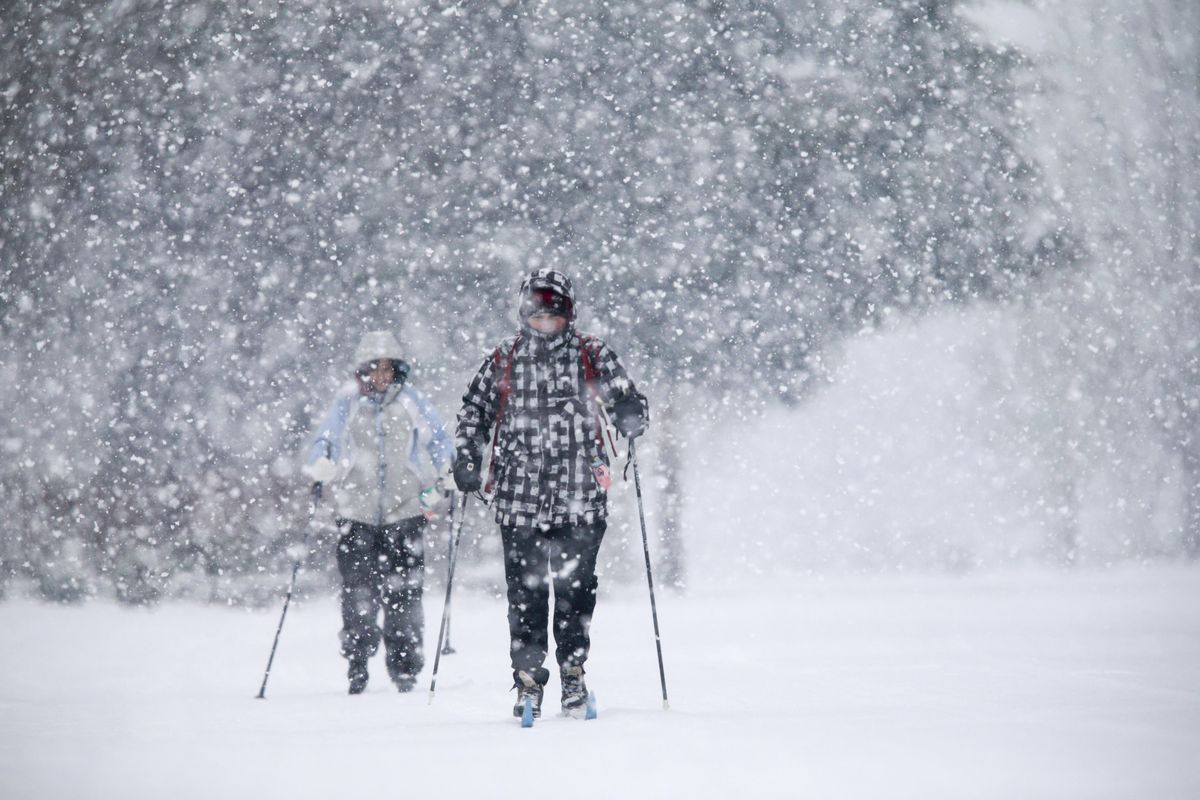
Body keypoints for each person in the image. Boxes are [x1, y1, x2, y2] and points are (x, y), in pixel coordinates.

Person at [453, 268, 649, 719]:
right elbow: (475, 411)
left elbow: (626, 398)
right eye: (536, 317)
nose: (544, 325)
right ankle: (527, 679)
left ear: (568, 315)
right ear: (524, 315)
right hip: (518, 499)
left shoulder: (590, 353)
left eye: (553, 317)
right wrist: (467, 455)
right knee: (525, 594)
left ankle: (573, 672)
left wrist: (631, 414)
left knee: (575, 592)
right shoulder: (505, 357)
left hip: (580, 497)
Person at [304, 330, 453, 694]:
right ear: (362, 372)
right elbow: (325, 440)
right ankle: (357, 662)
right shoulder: (347, 404)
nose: (381, 376)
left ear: (397, 371)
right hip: (355, 515)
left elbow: (437, 440)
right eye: (374, 368)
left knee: (405, 595)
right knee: (359, 594)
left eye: (388, 368)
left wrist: (448, 471)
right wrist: (321, 465)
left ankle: (405, 670)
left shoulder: (412, 402)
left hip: (405, 512)